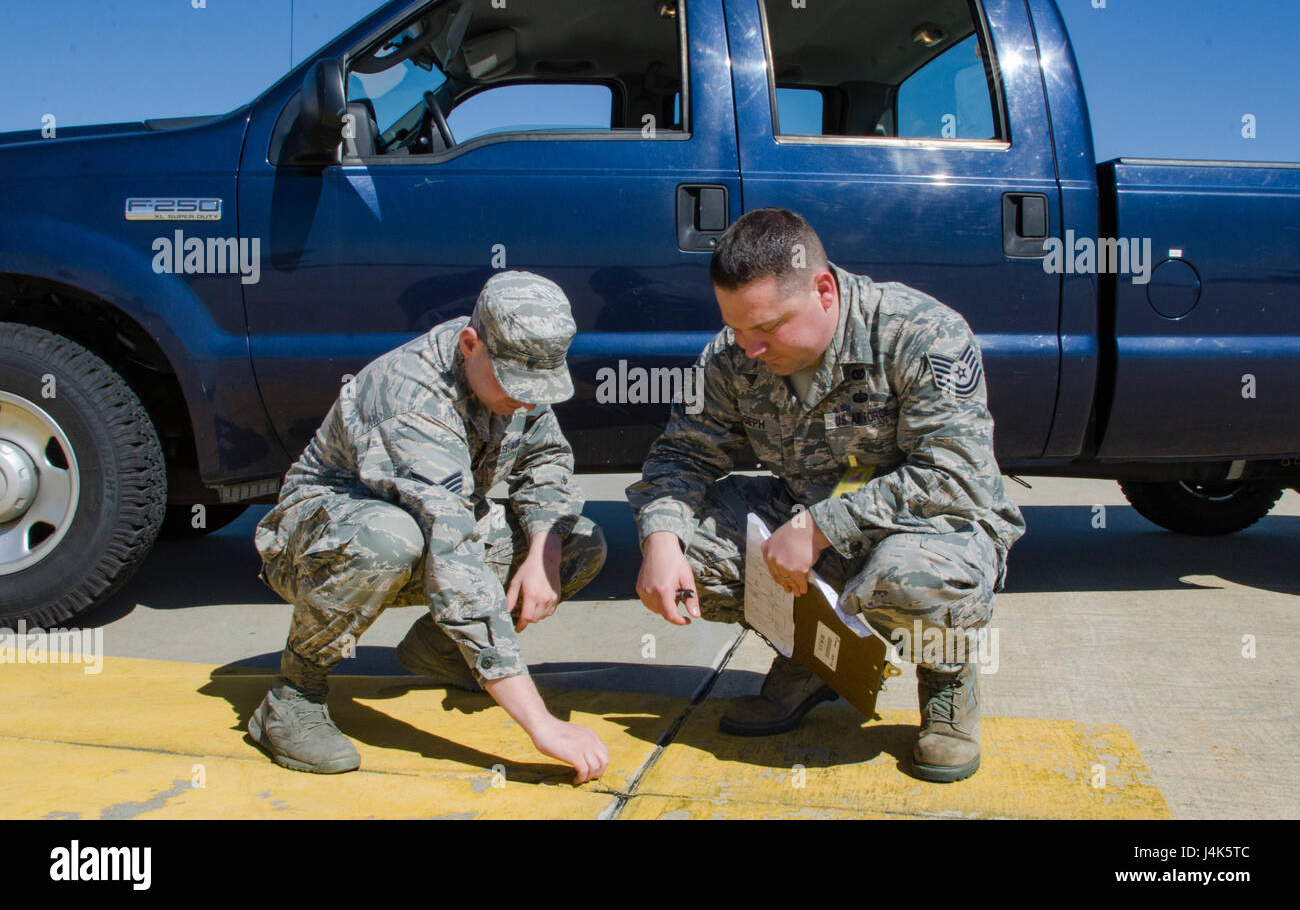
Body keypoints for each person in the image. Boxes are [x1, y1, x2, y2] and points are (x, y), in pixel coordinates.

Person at [626, 208, 1025, 782]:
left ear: (824, 290)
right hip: (802, 523)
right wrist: (662, 542)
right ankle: (813, 662)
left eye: (768, 328)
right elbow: (682, 456)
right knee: (687, 549)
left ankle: (947, 679)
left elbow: (956, 472)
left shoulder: (919, 332)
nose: (750, 347)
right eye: (738, 328)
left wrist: (819, 527)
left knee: (906, 578)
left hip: (929, 531)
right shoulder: (732, 354)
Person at [249, 271, 609, 784]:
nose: (528, 401)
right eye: (516, 387)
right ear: (471, 345)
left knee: (576, 540)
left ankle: (442, 652)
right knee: (392, 537)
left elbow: (547, 461)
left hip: (427, 528)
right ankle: (293, 694)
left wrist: (542, 555)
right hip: (319, 541)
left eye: (539, 389)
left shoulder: (516, 364)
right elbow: (452, 546)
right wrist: (541, 725)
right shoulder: (412, 397)